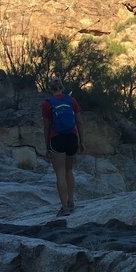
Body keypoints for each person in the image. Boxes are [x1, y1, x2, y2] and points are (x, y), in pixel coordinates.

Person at [42, 77, 85, 216]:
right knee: (69, 170)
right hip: (72, 138)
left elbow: (46, 126)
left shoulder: (47, 104)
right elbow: (79, 122)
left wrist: (47, 145)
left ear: (50, 89)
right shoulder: (72, 100)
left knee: (59, 172)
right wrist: (82, 141)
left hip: (57, 138)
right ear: (62, 87)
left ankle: (64, 208)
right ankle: (71, 202)